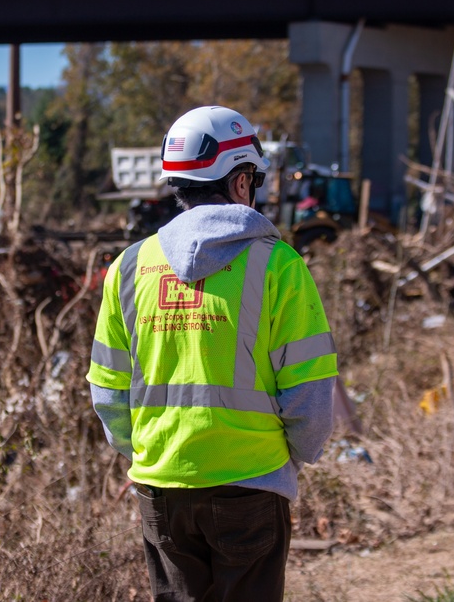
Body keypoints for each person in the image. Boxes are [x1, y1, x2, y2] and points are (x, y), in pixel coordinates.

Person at [87, 106, 338, 601]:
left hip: (161, 487)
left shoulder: (129, 267)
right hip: (251, 483)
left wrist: (144, 450)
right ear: (241, 180)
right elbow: (309, 392)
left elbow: (107, 388)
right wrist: (294, 458)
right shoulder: (278, 265)